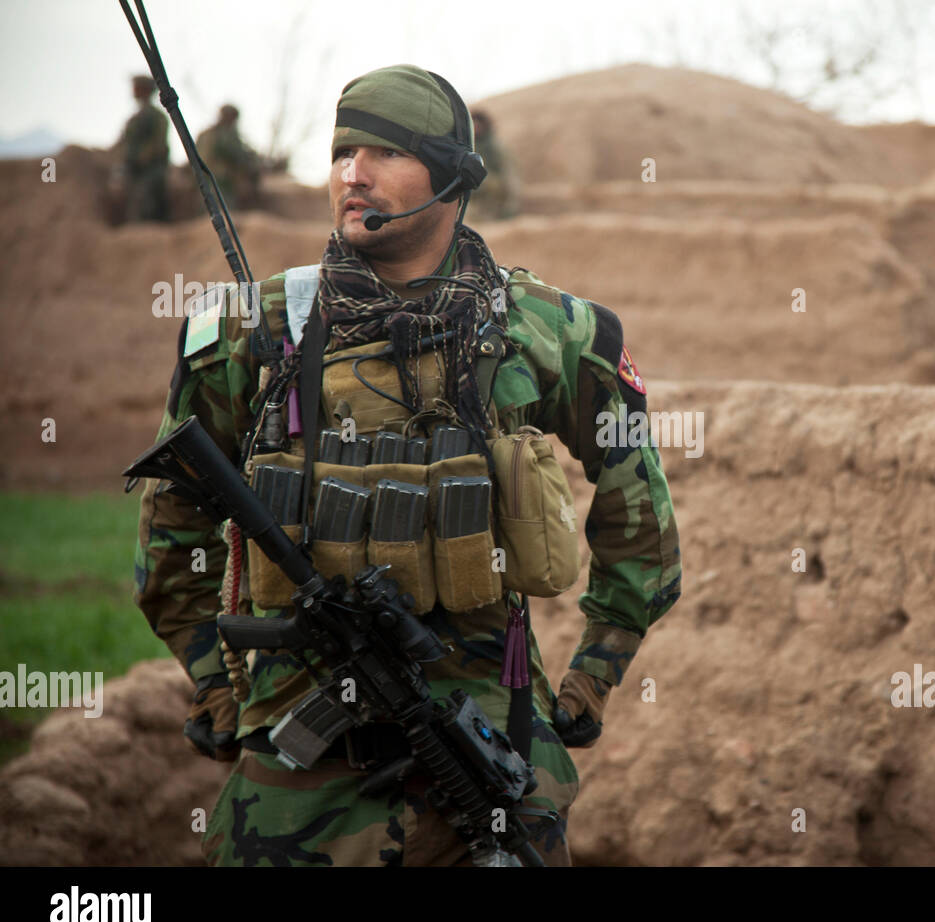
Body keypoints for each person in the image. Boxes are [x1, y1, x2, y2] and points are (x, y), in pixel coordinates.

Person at [132, 64, 681, 866]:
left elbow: (642, 517)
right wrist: (218, 685)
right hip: (294, 782)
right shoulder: (254, 334)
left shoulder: (549, 332)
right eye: (341, 152)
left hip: (482, 759)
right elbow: (170, 526)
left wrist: (594, 674)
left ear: (452, 174)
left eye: (384, 152)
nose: (351, 175)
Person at [120, 74, 169, 222]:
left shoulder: (157, 116)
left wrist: (140, 158)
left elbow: (158, 144)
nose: (133, 90)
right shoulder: (134, 118)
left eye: (137, 87)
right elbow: (124, 142)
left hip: (151, 170)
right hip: (135, 170)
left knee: (144, 203)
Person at [196, 104, 261, 210]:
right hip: (218, 181)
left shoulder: (211, 134)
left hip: (208, 180)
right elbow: (237, 157)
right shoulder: (224, 136)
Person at [469, 109, 520, 220]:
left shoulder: (495, 147)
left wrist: (511, 204)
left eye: (478, 124)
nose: (476, 127)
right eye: (473, 124)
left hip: (494, 192)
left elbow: (509, 175)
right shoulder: (468, 146)